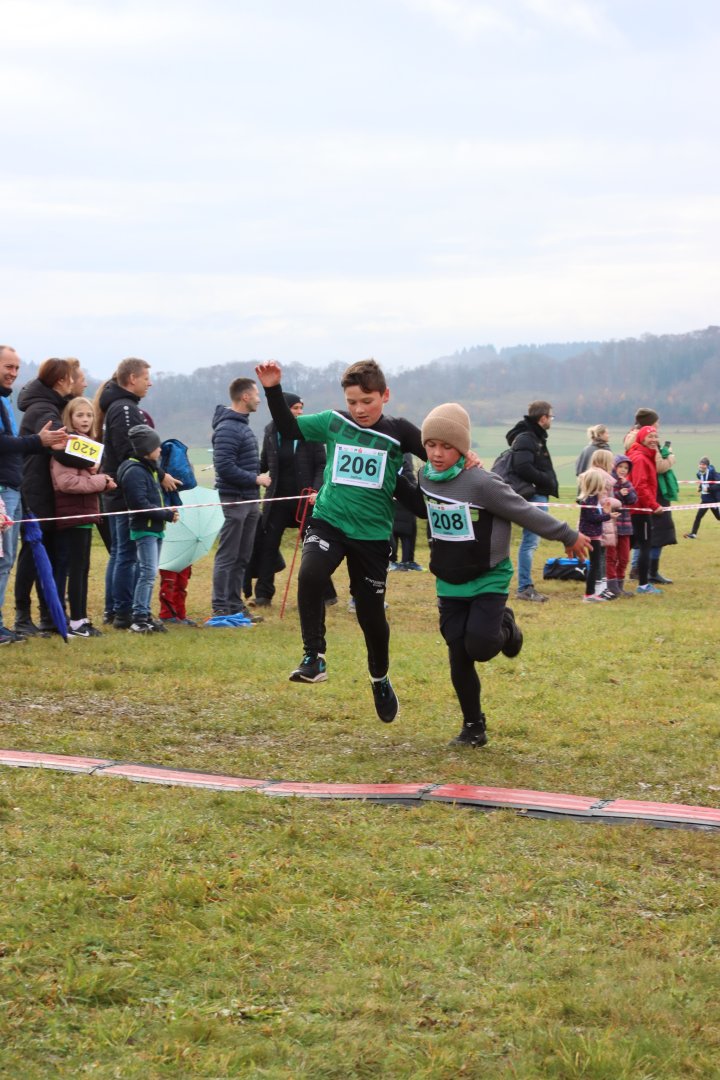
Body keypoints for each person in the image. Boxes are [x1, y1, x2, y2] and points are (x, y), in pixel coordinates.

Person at [255, 357, 430, 723]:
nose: (359, 409)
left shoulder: (399, 431)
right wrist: (272, 389)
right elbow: (288, 427)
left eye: (367, 401)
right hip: (329, 520)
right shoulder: (334, 422)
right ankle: (314, 657)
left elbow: (437, 450)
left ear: (385, 395)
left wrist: (465, 457)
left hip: (372, 535)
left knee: (370, 616)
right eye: (352, 402)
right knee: (311, 574)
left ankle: (379, 678)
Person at [407, 403, 589, 746]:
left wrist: (567, 534)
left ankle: (507, 625)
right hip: (449, 580)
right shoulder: (424, 478)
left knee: (480, 646)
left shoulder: (482, 482)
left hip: (488, 578)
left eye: (447, 446)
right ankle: (473, 727)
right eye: (431, 445)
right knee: (458, 657)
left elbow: (523, 511)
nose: (437, 453)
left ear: (462, 448)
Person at [97, 358, 178, 629]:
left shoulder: (118, 406)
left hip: (118, 490)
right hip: (124, 493)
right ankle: (124, 611)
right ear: (132, 378)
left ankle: (115, 609)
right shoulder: (124, 408)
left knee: (120, 552)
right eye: (146, 378)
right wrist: (159, 473)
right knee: (126, 554)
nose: (150, 383)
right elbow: (129, 451)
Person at [0, 345, 67, 645]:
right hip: (3, 489)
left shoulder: (5, 400)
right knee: (2, 560)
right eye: (8, 367)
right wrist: (37, 441)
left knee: (6, 561)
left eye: (16, 367)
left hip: (14, 486)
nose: (13, 373)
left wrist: (39, 444)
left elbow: (13, 444)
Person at [249, 391, 333, 608]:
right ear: (284, 410)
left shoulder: (309, 430)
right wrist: (247, 473)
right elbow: (264, 463)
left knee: (313, 547)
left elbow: (322, 464)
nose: (300, 412)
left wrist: (316, 490)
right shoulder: (270, 431)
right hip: (276, 500)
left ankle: (327, 594)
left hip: (305, 500)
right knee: (268, 546)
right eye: (295, 408)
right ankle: (263, 595)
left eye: (301, 408)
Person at [14, 357, 78, 636]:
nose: (74, 383)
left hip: (43, 488)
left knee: (46, 554)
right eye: (72, 378)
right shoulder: (43, 409)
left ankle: (47, 615)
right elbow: (59, 446)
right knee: (32, 551)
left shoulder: (49, 405)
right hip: (36, 489)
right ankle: (22, 615)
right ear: (61, 380)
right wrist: (94, 459)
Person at [50, 397, 116, 637]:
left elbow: (86, 478)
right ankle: (76, 621)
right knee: (76, 568)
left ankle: (82, 617)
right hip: (72, 512)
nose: (85, 420)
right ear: (69, 418)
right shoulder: (67, 445)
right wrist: (101, 481)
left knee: (83, 567)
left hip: (86, 512)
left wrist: (102, 483)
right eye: (79, 415)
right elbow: (66, 482)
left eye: (89, 415)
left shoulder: (88, 445)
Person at [210, 377, 270, 623]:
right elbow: (224, 467)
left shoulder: (242, 426)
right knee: (228, 556)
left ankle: (235, 606)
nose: (259, 399)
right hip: (233, 501)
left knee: (242, 557)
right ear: (245, 397)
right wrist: (256, 479)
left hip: (249, 501)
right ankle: (221, 607)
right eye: (256, 394)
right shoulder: (227, 428)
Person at [117, 425, 179, 633]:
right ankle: (139, 618)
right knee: (148, 573)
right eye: (156, 446)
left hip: (155, 527)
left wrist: (166, 513)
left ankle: (145, 614)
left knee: (150, 573)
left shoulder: (149, 468)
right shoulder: (134, 471)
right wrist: (165, 514)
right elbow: (140, 504)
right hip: (145, 529)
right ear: (147, 448)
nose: (160, 449)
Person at [505, 400, 559, 603]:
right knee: (530, 542)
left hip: (536, 494)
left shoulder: (533, 436)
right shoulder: (527, 438)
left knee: (530, 542)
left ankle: (525, 585)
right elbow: (523, 467)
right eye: (550, 416)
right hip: (533, 495)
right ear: (543, 418)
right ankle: (524, 587)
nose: (551, 420)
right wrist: (545, 480)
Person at [624, 408, 676, 585]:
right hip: (648, 498)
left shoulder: (633, 440)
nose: (654, 439)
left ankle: (635, 571)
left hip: (646, 497)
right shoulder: (641, 453)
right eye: (656, 422)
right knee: (652, 536)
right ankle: (646, 575)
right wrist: (671, 457)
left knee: (637, 537)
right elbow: (654, 470)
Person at [626, 425, 665, 594]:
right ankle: (643, 585)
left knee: (626, 545)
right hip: (640, 510)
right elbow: (640, 486)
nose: (654, 440)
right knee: (645, 546)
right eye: (650, 437)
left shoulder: (644, 455)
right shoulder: (640, 458)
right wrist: (654, 505)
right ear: (641, 439)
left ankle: (609, 579)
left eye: (655, 436)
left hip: (636, 509)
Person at [577, 468, 619, 604]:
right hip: (592, 536)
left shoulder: (593, 499)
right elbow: (592, 517)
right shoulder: (589, 500)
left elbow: (595, 515)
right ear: (596, 484)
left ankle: (592, 593)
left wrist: (605, 512)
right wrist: (608, 516)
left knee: (595, 564)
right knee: (594, 565)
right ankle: (589, 594)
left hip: (595, 535)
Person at [606, 454, 637, 596]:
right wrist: (619, 494)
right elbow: (607, 500)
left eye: (626, 468)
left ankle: (620, 585)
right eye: (620, 467)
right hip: (612, 525)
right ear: (614, 467)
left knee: (624, 557)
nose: (623, 470)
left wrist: (627, 487)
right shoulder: (609, 482)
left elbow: (633, 500)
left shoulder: (627, 483)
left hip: (625, 525)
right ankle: (611, 585)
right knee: (611, 556)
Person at [389, 453, 424, 571]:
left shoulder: (388, 472)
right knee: (408, 536)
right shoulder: (407, 474)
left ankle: (392, 560)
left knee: (393, 535)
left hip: (392, 511)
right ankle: (407, 561)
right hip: (405, 512)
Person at [685, 457, 720, 538]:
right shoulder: (699, 474)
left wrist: (708, 489)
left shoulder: (712, 473)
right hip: (705, 500)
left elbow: (718, 485)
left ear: (707, 466)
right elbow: (704, 482)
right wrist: (700, 487)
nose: (701, 466)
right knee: (698, 517)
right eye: (700, 464)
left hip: (713, 500)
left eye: (703, 464)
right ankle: (693, 534)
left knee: (718, 517)